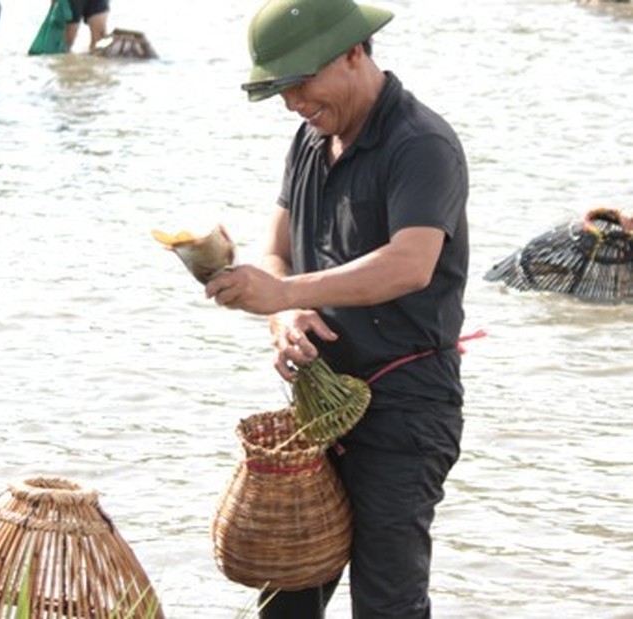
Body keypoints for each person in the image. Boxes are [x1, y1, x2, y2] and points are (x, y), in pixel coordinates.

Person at [204, 0, 470, 617]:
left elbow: (412, 263)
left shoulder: (420, 143)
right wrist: (282, 316)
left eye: (301, 84)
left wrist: (290, 294)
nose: (293, 102)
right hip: (317, 404)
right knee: (287, 592)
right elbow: (277, 250)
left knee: (386, 602)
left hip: (405, 408)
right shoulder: (309, 139)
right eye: (280, 89)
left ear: (354, 52)